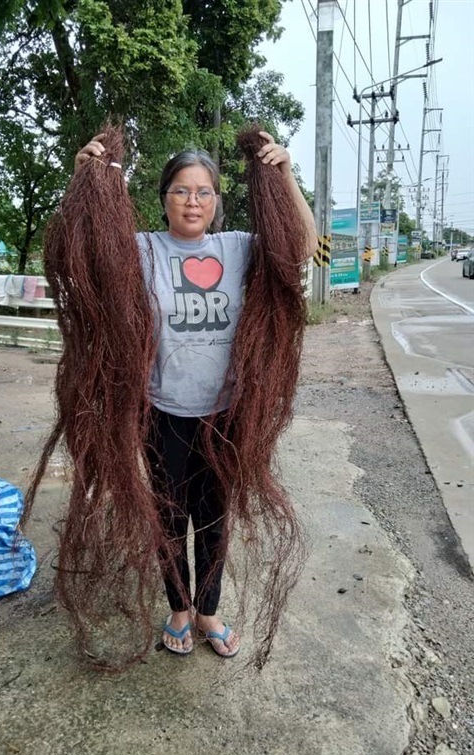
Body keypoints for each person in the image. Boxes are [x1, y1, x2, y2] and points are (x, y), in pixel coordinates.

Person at [73, 131, 317, 658]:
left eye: (204, 192)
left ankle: (207, 610)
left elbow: (301, 247)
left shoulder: (237, 248)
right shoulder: (142, 249)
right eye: (181, 190)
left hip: (225, 415)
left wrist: (287, 175)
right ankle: (178, 608)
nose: (192, 201)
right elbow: (87, 254)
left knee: (213, 515)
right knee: (167, 514)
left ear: (216, 202)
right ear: (163, 198)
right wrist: (83, 177)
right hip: (162, 412)